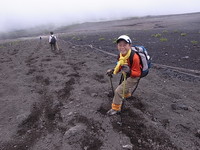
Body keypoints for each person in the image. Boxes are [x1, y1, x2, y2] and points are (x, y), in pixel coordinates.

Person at [106, 35, 141, 115]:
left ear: (130, 45)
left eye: (124, 45)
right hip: (127, 74)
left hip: (134, 77)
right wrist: (113, 70)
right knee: (124, 85)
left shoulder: (134, 57)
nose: (122, 47)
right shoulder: (121, 56)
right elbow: (120, 66)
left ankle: (115, 108)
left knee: (118, 91)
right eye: (120, 45)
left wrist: (130, 71)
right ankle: (127, 95)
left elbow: (138, 73)